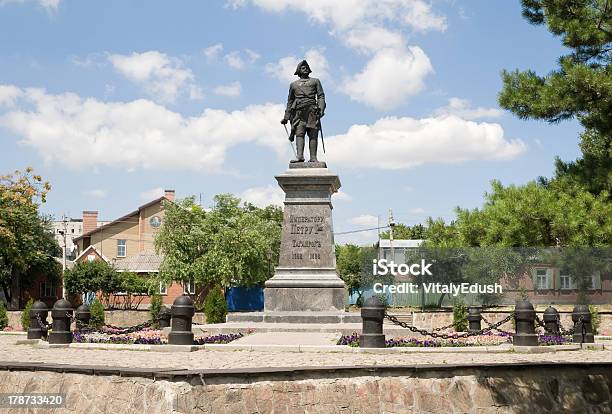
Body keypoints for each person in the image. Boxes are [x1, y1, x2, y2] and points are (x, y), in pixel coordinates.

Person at [280, 60, 326, 163]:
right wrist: (286, 117)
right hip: (298, 112)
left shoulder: (315, 81)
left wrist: (321, 109)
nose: (305, 68)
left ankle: (313, 157)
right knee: (299, 133)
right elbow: (290, 101)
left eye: (306, 67)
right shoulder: (293, 85)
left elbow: (321, 96)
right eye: (302, 67)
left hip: (312, 111)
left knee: (313, 134)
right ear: (298, 71)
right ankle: (299, 156)